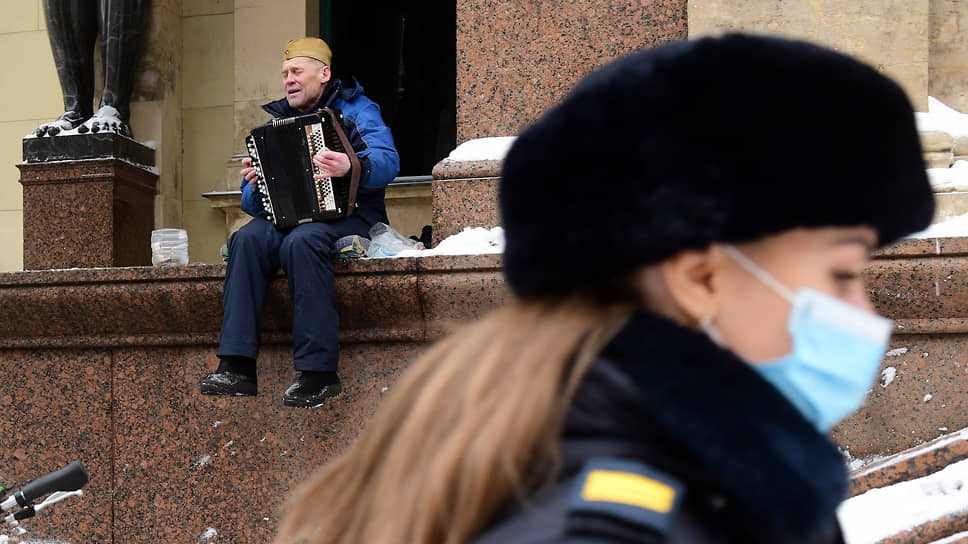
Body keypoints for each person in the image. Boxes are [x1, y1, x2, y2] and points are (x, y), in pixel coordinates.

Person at [272, 33, 935, 542]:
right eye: (843, 272)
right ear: (700, 279)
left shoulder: (713, 495)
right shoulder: (620, 526)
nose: (865, 313)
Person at [200, 37, 400, 407]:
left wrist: (351, 165)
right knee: (247, 239)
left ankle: (319, 374)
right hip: (292, 218)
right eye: (284, 74)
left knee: (302, 241)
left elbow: (389, 161)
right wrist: (255, 184)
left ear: (323, 74)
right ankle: (237, 366)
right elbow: (251, 205)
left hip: (353, 216)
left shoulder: (358, 110)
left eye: (296, 71)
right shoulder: (276, 124)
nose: (288, 80)